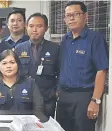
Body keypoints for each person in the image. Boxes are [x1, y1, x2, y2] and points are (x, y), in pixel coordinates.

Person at [56, 2, 109, 131]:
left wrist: (95, 100)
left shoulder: (95, 38)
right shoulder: (65, 39)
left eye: (76, 14)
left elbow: (101, 70)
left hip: (84, 97)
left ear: (86, 16)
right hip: (63, 97)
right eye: (68, 15)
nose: (71, 18)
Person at [14, 13, 59, 118]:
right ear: (26, 27)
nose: (34, 30)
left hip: (46, 99)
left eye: (39, 26)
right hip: (24, 98)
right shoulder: (19, 48)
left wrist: (56, 92)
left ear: (46, 28)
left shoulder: (55, 48)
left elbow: (61, 72)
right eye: (31, 26)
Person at [0, 49, 48, 122]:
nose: (8, 66)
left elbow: (38, 110)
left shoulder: (30, 83)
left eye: (12, 62)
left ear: (18, 64)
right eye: (4, 63)